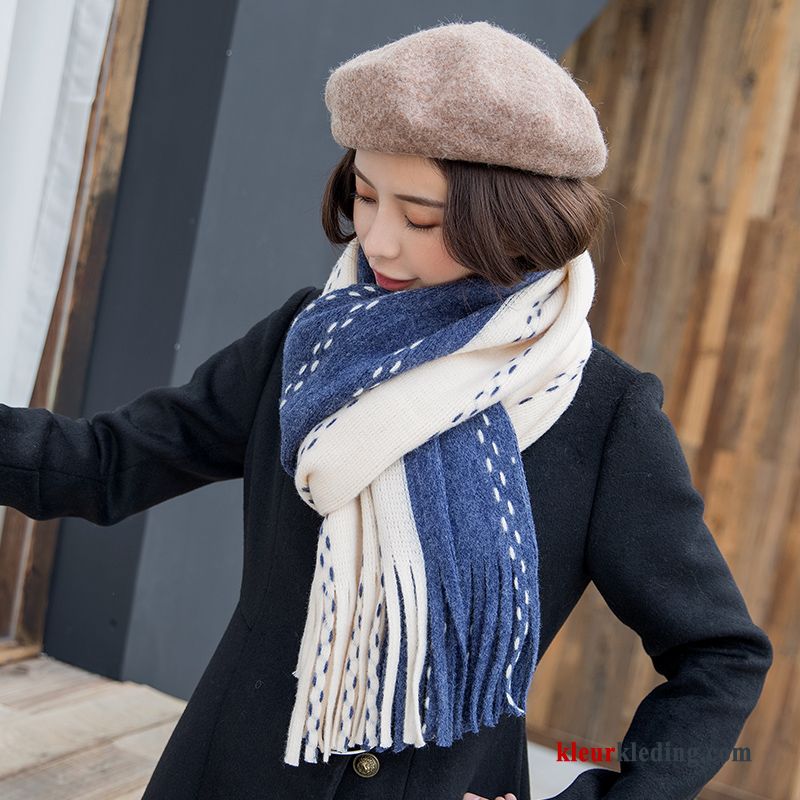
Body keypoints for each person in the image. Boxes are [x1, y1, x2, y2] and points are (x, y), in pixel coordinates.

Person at [0, 20, 771, 800]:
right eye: (366, 196)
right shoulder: (308, 345)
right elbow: (103, 465)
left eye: (424, 218)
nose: (379, 242)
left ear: (516, 222)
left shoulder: (603, 414)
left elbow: (721, 656)